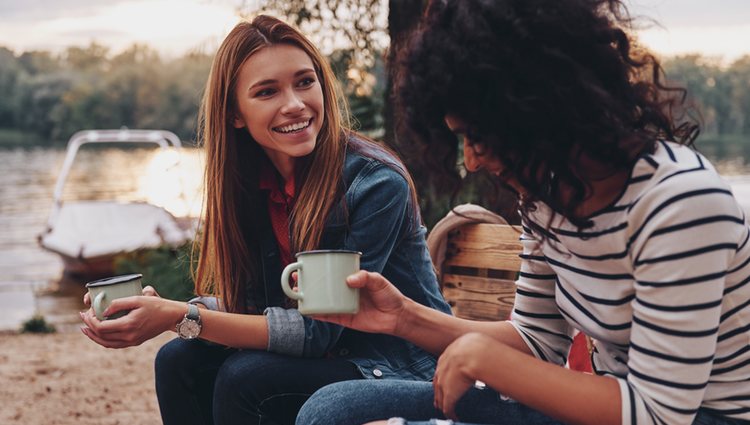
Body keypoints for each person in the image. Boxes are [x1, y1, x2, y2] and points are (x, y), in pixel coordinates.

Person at [295, 1, 750, 424]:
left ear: (543, 107)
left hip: (698, 417)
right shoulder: (549, 196)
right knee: (333, 408)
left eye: (478, 135)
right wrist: (404, 319)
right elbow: (537, 342)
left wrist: (486, 360)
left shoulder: (681, 204)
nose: (471, 160)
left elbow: (658, 414)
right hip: (600, 400)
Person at [79, 15, 451, 425]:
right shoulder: (252, 184)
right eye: (267, 91)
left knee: (248, 379)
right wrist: (164, 309)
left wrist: (178, 317)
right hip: (334, 359)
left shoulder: (374, 183)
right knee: (178, 360)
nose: (294, 103)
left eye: (305, 82)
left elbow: (317, 332)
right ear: (235, 114)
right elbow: (257, 308)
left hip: (403, 368)